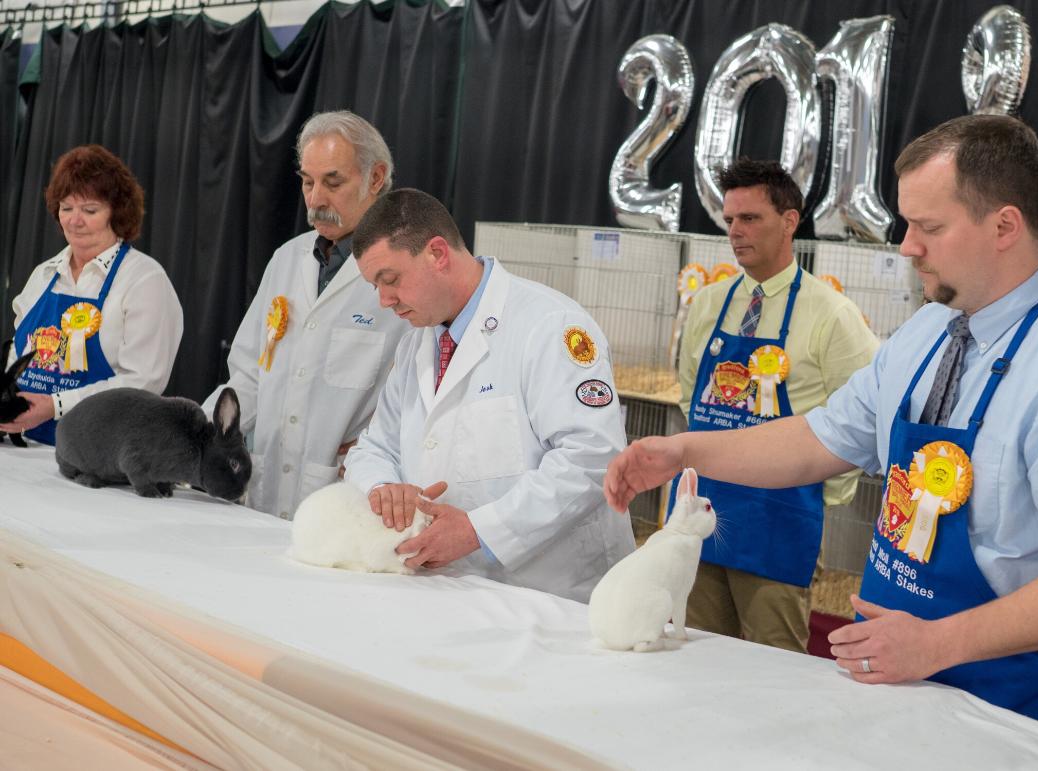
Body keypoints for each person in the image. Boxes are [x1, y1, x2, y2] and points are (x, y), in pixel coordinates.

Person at [605, 114, 1038, 727]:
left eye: (928, 226)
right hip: (885, 672)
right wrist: (685, 452)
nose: (907, 246)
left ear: (1005, 226)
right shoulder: (929, 330)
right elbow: (818, 437)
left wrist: (938, 644)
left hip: (998, 699)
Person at [343, 188, 635, 602]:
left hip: (554, 595)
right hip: (452, 592)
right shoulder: (417, 344)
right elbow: (374, 447)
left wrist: (481, 530)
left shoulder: (550, 326)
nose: (384, 300)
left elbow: (592, 457)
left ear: (438, 253)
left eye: (390, 280)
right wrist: (384, 488)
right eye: (375, 285)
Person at [674, 159, 879, 652]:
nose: (736, 233)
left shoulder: (833, 315)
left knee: (775, 667)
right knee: (694, 651)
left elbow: (865, 418)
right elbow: (689, 395)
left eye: (750, 219)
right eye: (729, 221)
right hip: (701, 515)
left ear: (790, 221)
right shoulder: (708, 304)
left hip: (779, 526)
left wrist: (812, 499)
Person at [203, 111, 409, 520]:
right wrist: (196, 438)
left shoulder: (405, 268)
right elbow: (248, 374)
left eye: (333, 182)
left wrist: (380, 449)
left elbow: (420, 398)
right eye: (307, 181)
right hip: (266, 490)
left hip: (346, 496)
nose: (315, 199)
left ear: (375, 177)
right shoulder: (287, 259)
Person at [1, 144, 182, 445]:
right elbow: (16, 356)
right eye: (67, 208)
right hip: (26, 448)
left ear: (117, 212)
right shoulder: (43, 275)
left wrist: (56, 405)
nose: (74, 220)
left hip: (94, 456)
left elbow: (142, 383)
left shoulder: (144, 280)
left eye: (90, 210)